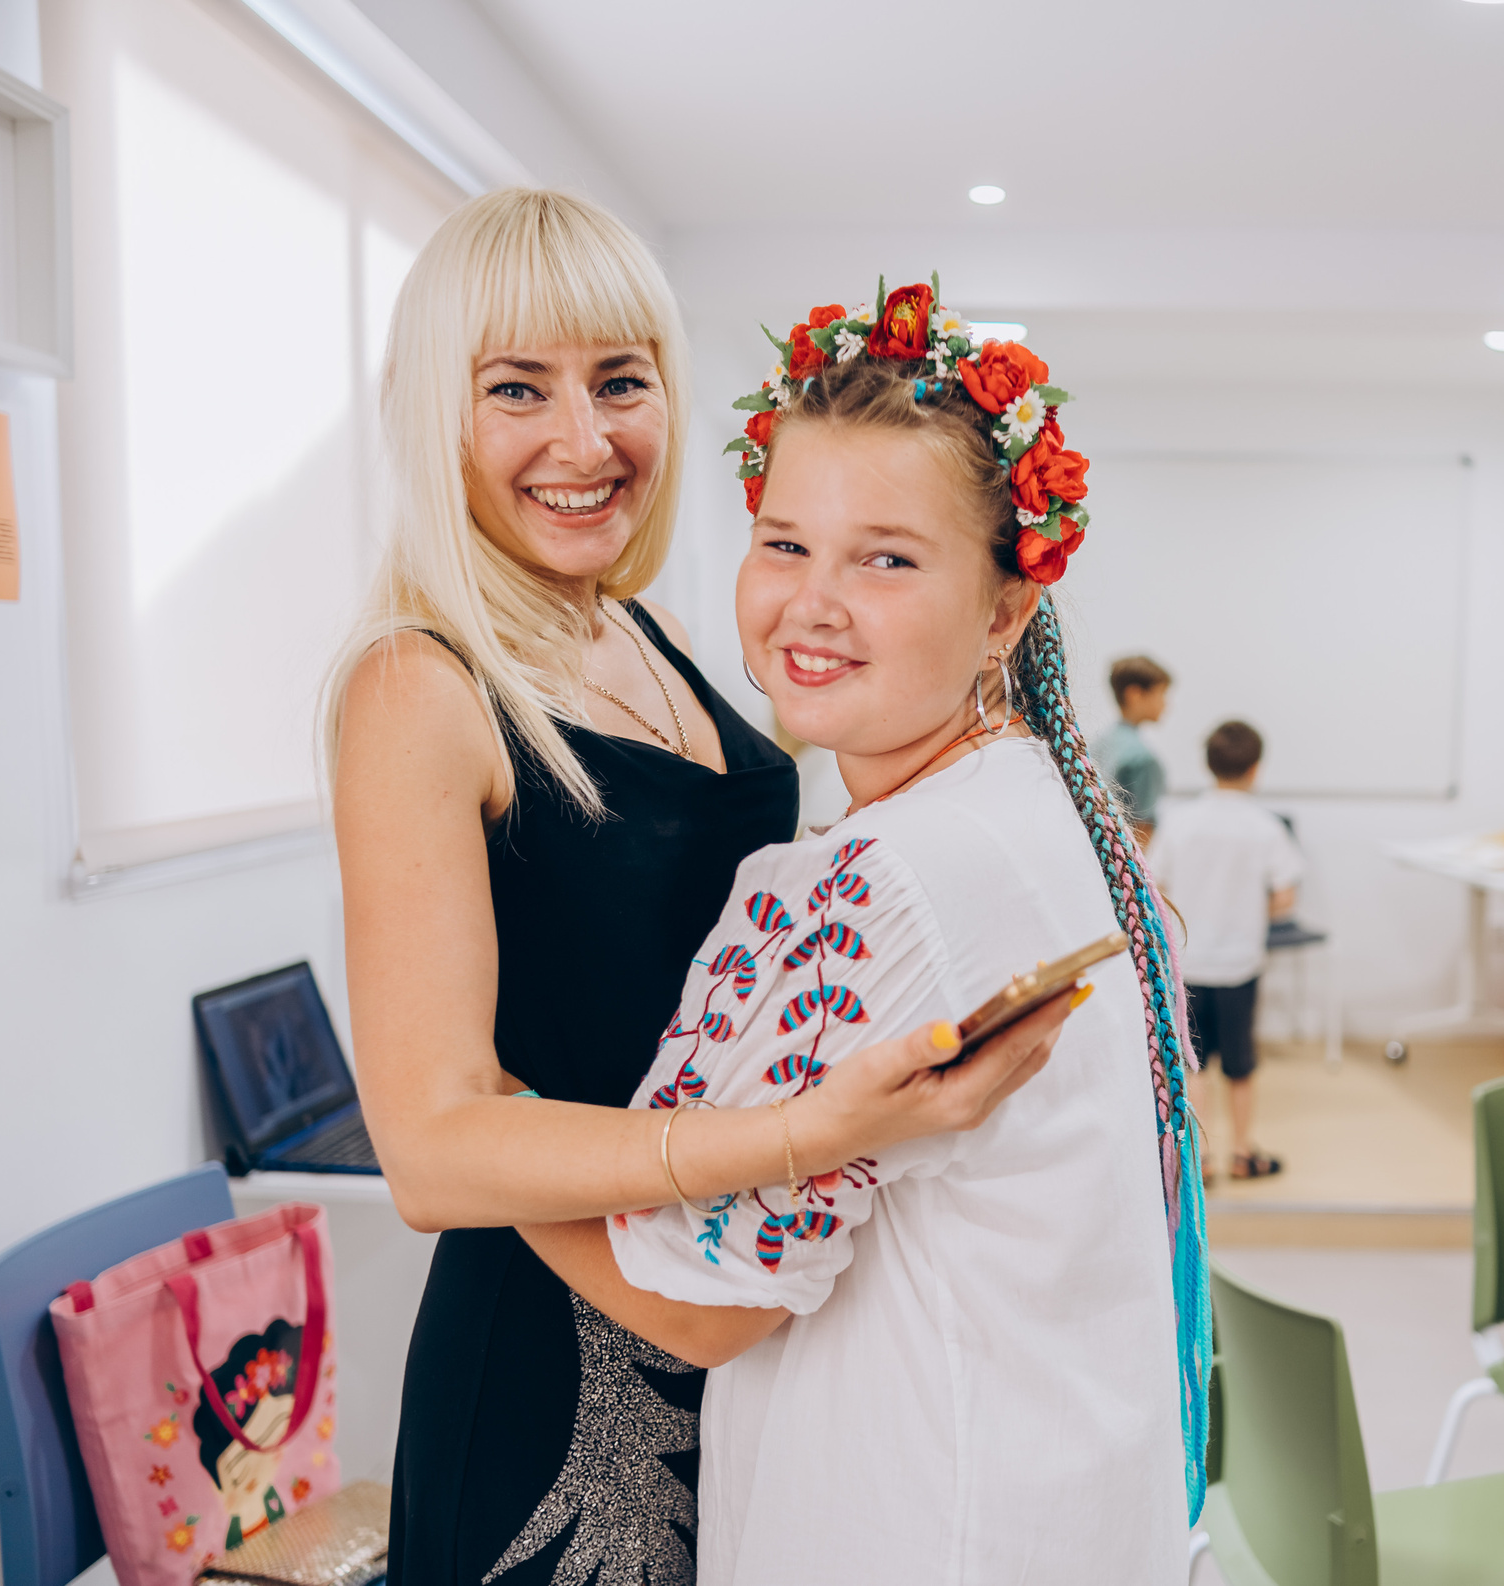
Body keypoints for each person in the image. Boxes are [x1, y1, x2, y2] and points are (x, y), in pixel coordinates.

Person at [324, 198, 1072, 1586]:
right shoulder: (417, 684)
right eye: (515, 389)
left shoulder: (648, 629)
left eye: (620, 381)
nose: (583, 440)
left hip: (729, 1311)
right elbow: (428, 1150)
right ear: (434, 412)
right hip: (555, 1368)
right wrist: (791, 1134)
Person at [520, 290, 1199, 1583]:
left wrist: (471, 1138)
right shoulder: (1052, 803)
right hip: (1067, 1512)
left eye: (886, 559)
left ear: (1005, 610)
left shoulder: (876, 879)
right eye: (784, 543)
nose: (812, 603)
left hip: (922, 1526)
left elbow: (696, 1302)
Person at [1146, 718, 1305, 1181]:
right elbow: (1285, 897)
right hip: (1239, 966)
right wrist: (1250, 912)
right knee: (1240, 1065)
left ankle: (1203, 1159)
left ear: (1207, 764)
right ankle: (1241, 1151)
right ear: (1256, 769)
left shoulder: (1180, 822)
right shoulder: (1265, 827)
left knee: (1194, 1064)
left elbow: (1156, 886)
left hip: (1189, 965)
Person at [1095, 653, 1172, 841]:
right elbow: (1142, 831)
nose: (1165, 703)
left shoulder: (1096, 744)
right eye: (1161, 693)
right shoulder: (1142, 758)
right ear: (1135, 694)